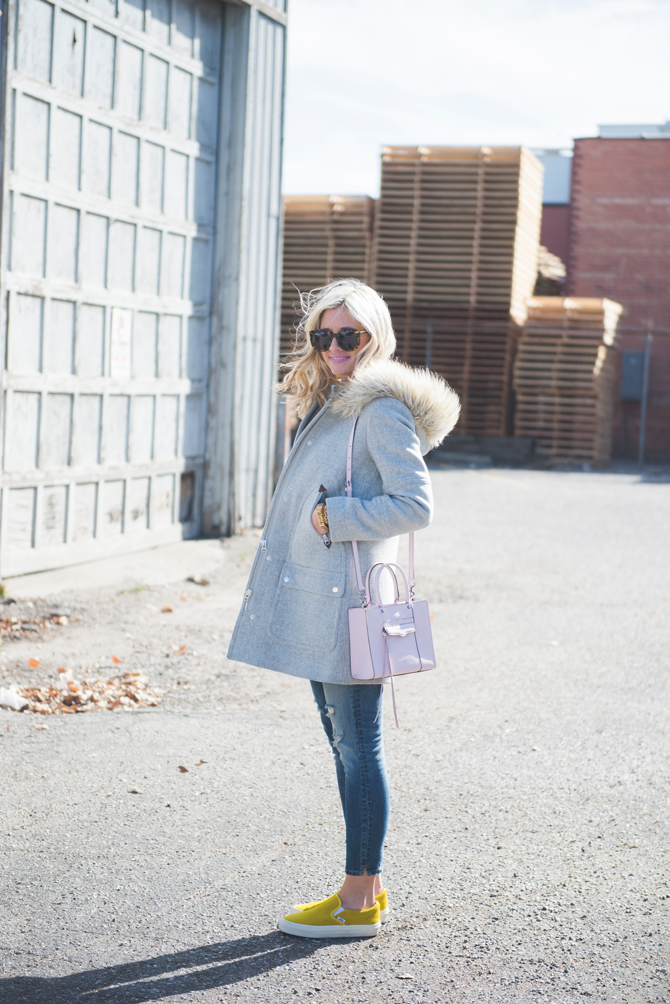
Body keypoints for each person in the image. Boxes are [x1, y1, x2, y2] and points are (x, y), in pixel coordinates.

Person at [227, 278, 460, 938]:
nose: (334, 347)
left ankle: (357, 902)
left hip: (350, 607)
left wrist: (336, 515)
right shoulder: (331, 404)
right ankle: (369, 888)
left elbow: (416, 506)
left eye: (348, 335)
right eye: (322, 336)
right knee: (345, 746)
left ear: (373, 338)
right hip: (323, 600)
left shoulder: (378, 409)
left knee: (359, 750)